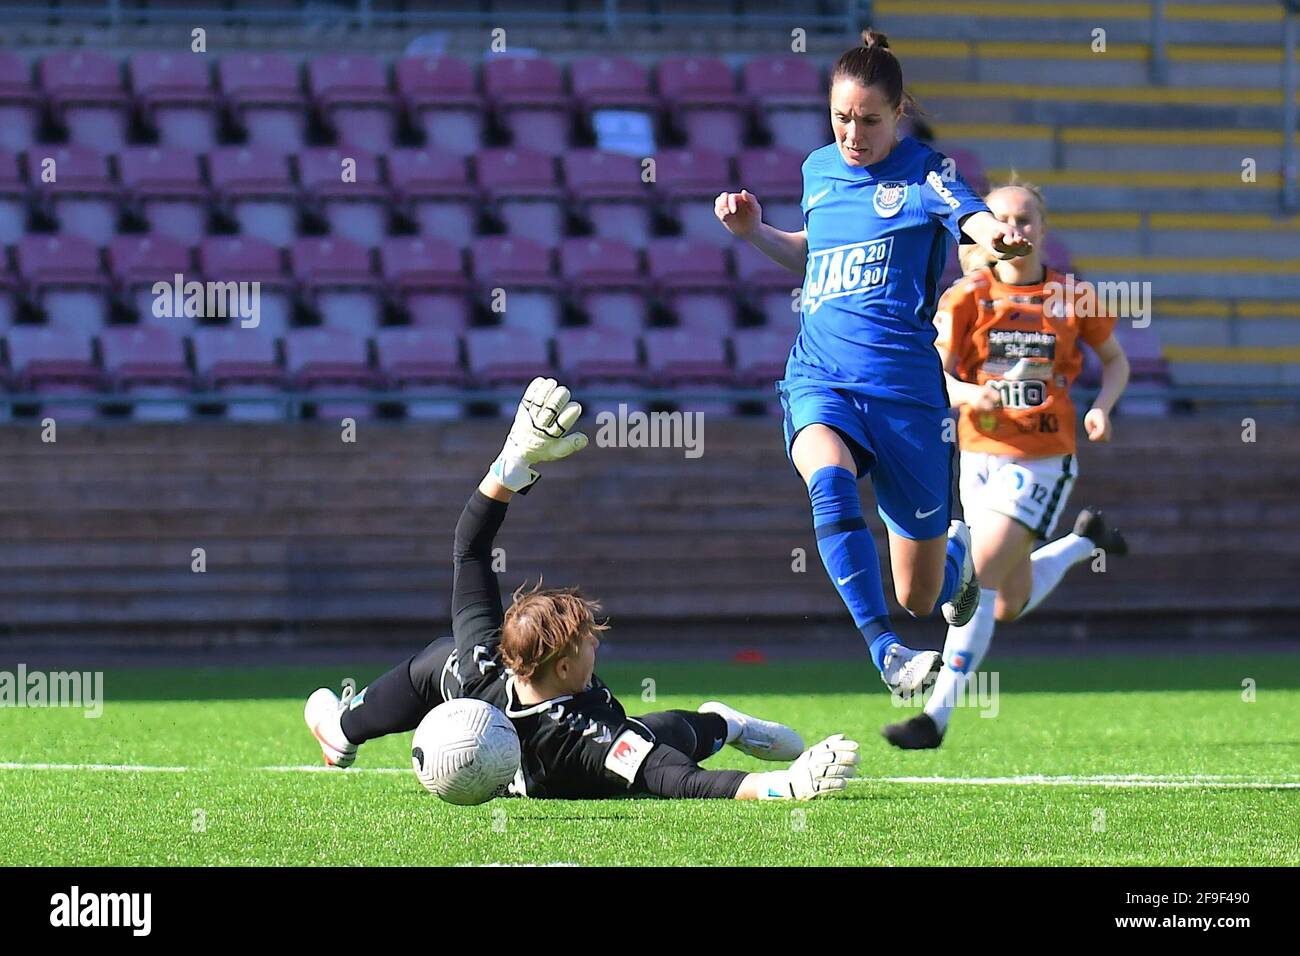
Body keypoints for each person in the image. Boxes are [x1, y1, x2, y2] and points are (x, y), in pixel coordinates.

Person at [305, 377, 861, 800]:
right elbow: (676, 781)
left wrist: (511, 466)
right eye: (587, 641)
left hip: (486, 719)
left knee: (444, 660)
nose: (596, 643)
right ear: (567, 669)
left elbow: (469, 546)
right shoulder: (589, 737)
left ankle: (730, 723)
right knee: (666, 735)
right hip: (553, 769)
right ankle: (724, 723)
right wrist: (782, 787)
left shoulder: (486, 663)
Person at [715, 30, 1033, 697]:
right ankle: (885, 651)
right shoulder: (817, 171)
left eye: (868, 120)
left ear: (898, 115)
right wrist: (756, 234)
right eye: (841, 118)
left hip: (905, 398)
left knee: (921, 594)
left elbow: (970, 217)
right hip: (820, 378)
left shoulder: (926, 173)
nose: (852, 133)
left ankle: (957, 566)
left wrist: (995, 238)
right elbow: (819, 254)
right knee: (826, 481)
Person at [883, 179, 1131, 749]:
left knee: (982, 573)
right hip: (978, 455)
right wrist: (973, 397)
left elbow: (1115, 362)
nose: (1014, 230)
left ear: (1043, 231)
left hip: (1042, 458)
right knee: (1007, 601)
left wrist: (1101, 408)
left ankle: (934, 717)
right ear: (985, 229)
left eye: (1025, 220)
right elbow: (933, 378)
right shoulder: (966, 298)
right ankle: (1083, 542)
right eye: (1003, 220)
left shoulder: (1074, 297)